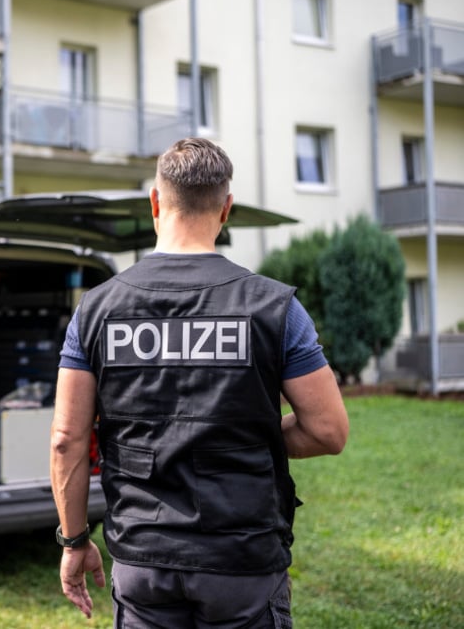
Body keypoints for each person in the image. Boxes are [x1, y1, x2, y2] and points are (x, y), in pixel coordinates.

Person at [49, 137, 349, 628]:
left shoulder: (96, 310)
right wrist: (244, 434)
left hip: (144, 560)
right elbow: (327, 431)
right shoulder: (275, 308)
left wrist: (74, 540)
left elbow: (66, 441)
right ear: (226, 209)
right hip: (243, 562)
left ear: (155, 202)